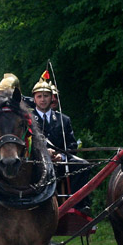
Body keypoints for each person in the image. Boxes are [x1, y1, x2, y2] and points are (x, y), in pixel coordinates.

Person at [30, 78, 90, 213]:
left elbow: (72, 144)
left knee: (83, 165)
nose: (43, 99)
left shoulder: (64, 119)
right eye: (39, 96)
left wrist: (61, 156)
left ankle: (78, 206)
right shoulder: (27, 120)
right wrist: (45, 154)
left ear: (52, 98)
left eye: (46, 96)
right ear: (34, 99)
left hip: (61, 161)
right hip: (37, 161)